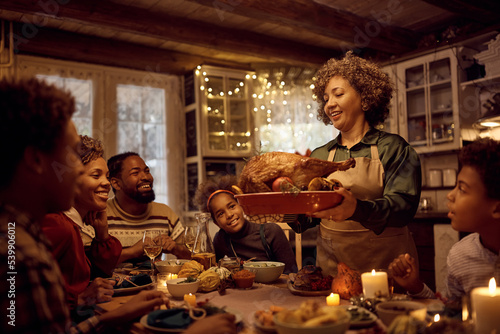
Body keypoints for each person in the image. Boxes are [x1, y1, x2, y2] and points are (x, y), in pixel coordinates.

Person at [0, 77, 236, 334]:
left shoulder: (21, 233)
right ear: (35, 159)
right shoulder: (22, 257)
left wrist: (106, 319)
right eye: (70, 153)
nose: (79, 167)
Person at [287, 51, 421, 276]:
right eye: (326, 98)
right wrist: (281, 208)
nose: (330, 104)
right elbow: (306, 219)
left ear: (365, 97)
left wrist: (357, 209)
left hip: (388, 272)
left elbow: (403, 208)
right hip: (333, 275)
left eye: (338, 94)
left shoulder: (394, 148)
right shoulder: (321, 156)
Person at [388, 138, 500, 303]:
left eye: (462, 189)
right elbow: (450, 312)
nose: (450, 195)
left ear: (496, 209)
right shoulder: (461, 255)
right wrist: (415, 286)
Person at [40, 135, 122, 312]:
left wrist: (103, 236)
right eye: (95, 175)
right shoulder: (57, 225)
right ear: (70, 177)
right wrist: (78, 299)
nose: (107, 183)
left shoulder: (75, 225)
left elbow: (96, 276)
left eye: (107, 176)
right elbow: (17, 287)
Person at [194, 175, 297, 273]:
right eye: (221, 214)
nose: (229, 215)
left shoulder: (271, 232)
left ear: (241, 205)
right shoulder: (220, 240)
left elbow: (291, 272)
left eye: (231, 207)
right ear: (216, 223)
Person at [106, 152, 190, 263]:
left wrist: (176, 248)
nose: (146, 177)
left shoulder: (165, 214)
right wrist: (132, 251)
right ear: (116, 183)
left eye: (147, 171)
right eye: (135, 173)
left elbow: (195, 256)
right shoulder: (100, 214)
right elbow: (89, 262)